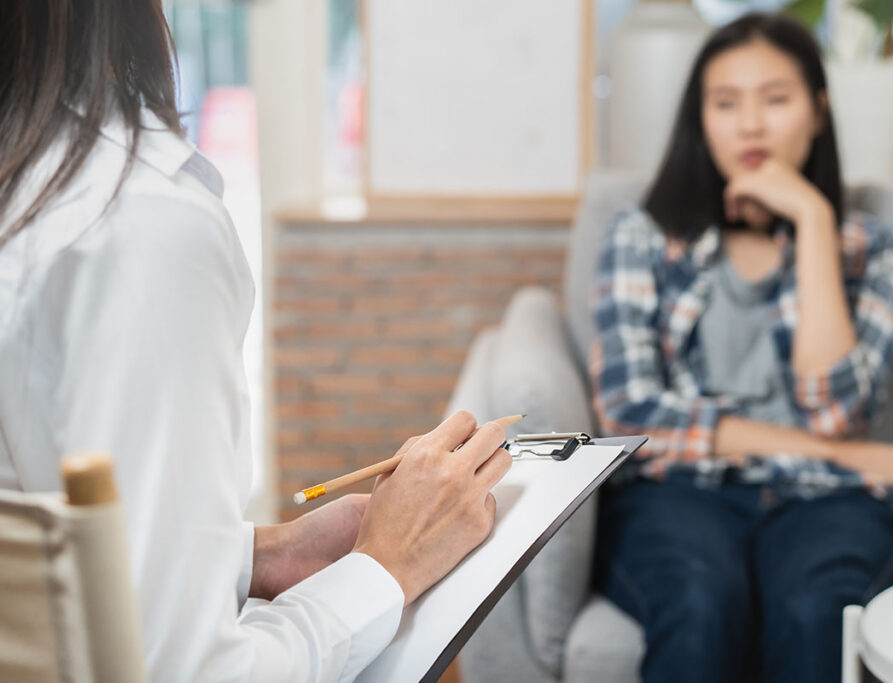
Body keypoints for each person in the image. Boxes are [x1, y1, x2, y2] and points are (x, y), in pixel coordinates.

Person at [0, 1, 511, 681]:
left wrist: (260, 553)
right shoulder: (135, 225)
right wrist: (387, 566)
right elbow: (185, 670)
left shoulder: (34, 197)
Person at [589, 13, 893, 683]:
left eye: (776, 99)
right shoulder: (642, 238)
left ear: (818, 111)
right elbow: (630, 414)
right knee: (700, 599)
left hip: (827, 501)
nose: (751, 125)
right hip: (677, 495)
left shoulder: (877, 253)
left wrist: (815, 222)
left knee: (814, 605)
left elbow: (834, 414)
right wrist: (831, 451)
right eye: (726, 103)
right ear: (700, 119)